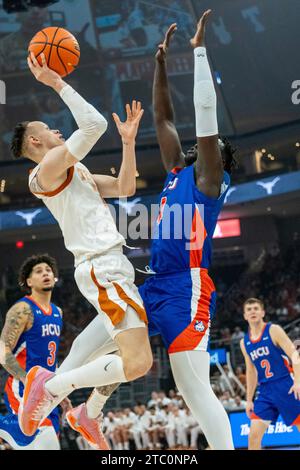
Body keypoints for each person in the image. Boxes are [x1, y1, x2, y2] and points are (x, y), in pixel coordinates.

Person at [10, 51, 152, 445]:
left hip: (110, 266)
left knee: (94, 354)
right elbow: (92, 124)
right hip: (101, 267)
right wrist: (56, 82)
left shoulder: (77, 171)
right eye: (51, 129)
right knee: (138, 362)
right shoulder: (43, 173)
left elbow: (125, 188)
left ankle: (85, 412)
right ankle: (52, 387)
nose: (59, 131)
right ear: (35, 141)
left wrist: (128, 143)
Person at [137, 10, 235, 450]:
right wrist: (159, 65)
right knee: (110, 332)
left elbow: (204, 114)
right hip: (156, 283)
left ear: (219, 159)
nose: (200, 145)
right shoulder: (178, 169)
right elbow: (163, 120)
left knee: (194, 391)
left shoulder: (209, 181)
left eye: (210, 147)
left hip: (188, 287)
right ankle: (78, 403)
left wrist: (197, 53)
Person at [0, 254, 64, 450]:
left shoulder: (58, 312)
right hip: (23, 388)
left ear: (55, 277)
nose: (45, 273)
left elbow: (49, 358)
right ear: (29, 281)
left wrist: (62, 390)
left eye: (48, 270)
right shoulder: (23, 309)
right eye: (39, 271)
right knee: (47, 442)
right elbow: (3, 351)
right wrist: (26, 380)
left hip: (49, 389)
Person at [240, 297, 300, 450]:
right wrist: (249, 399)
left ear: (262, 312)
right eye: (249, 309)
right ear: (244, 316)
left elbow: (295, 356)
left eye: (255, 308)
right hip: (265, 391)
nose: (252, 311)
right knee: (253, 437)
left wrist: (298, 382)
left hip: (286, 385)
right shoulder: (244, 342)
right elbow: (251, 371)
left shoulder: (274, 330)